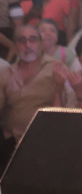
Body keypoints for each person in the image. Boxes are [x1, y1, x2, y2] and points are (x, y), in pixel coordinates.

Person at [0, 25, 63, 162]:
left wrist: (59, 87)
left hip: (46, 139)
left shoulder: (56, 68)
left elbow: (65, 111)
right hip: (12, 141)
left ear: (40, 44)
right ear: (15, 46)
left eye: (32, 40)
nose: (27, 45)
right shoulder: (6, 73)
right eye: (22, 40)